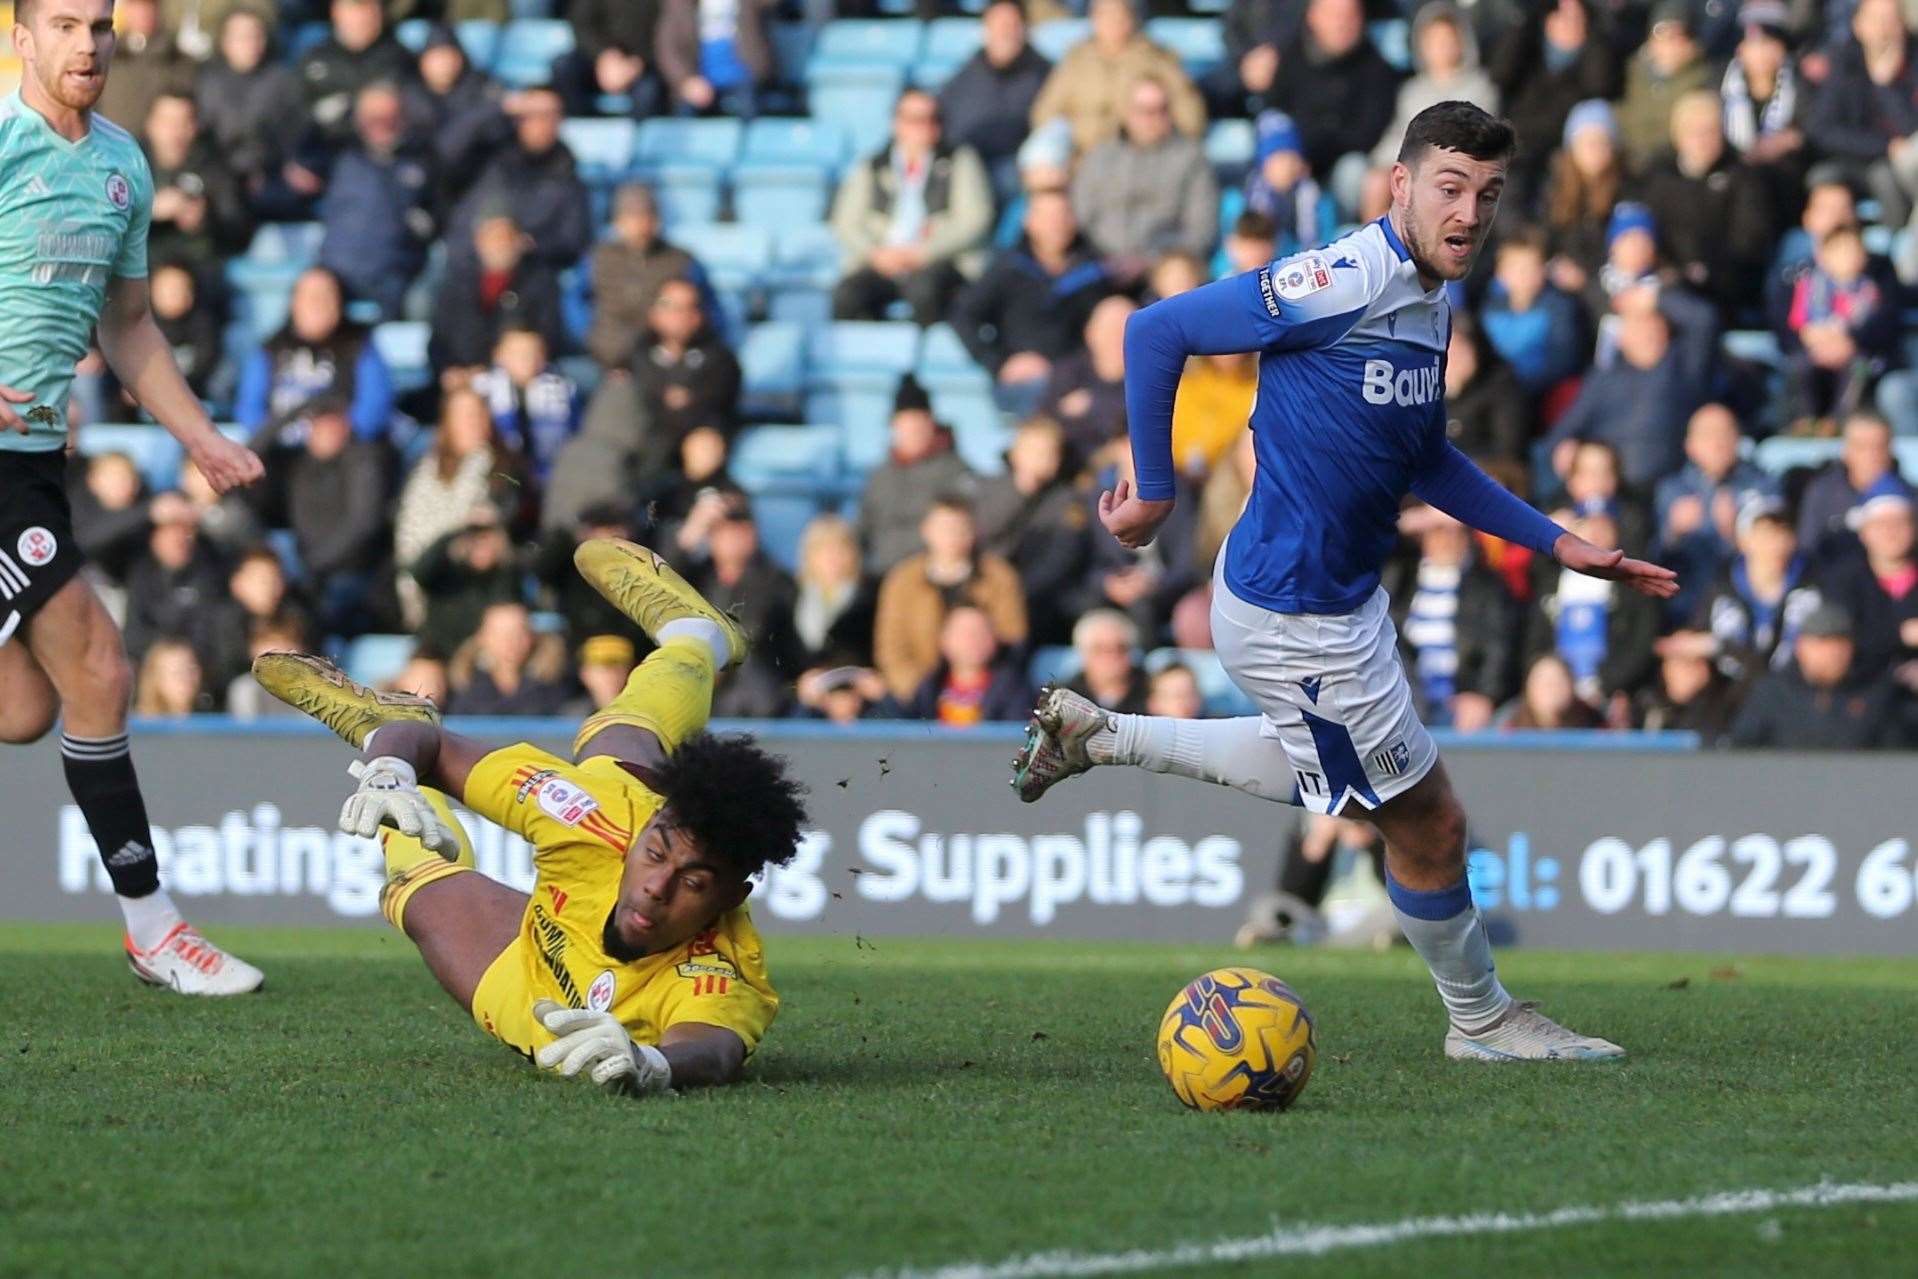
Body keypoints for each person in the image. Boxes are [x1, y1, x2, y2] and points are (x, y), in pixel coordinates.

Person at [1015, 102, 1677, 1061]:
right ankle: (1483, 1020)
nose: (1470, 212)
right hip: (1295, 612)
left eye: (1488, 195)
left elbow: (1427, 457)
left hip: (1342, 602)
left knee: (1345, 779)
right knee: (1428, 819)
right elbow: (1157, 330)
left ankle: (1101, 734)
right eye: (1450, 187)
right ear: (1399, 185)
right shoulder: (1339, 279)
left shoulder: (1431, 300)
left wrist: (1554, 540)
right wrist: (1154, 491)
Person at [251, 539, 806, 1094]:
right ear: (647, 831)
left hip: (532, 990)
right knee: (618, 747)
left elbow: (711, 1052)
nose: (659, 886)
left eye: (695, 881)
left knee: (417, 891)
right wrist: (391, 766)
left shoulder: (719, 974)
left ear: (732, 897)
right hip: (600, 839)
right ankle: (695, 635)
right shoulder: (597, 820)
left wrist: (654, 1063)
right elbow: (434, 747)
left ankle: (385, 727)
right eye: (657, 853)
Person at [0, 0, 266, 993]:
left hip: (32, 461)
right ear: (20, 37)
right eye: (63, 23)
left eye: (99, 25)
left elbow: (130, 326)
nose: (86, 44)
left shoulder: (120, 162)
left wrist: (197, 434)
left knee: (27, 707)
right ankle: (153, 926)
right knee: (104, 666)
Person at [828, 90, 993, 326]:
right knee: (848, 295)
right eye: (916, 120)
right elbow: (846, 222)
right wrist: (875, 254)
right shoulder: (873, 166)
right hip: (882, 260)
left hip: (939, 261)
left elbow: (975, 219)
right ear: (897, 123)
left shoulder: (960, 161)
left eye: (933, 119)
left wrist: (924, 252)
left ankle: (924, 357)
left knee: (924, 291)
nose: (925, 127)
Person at [949, 190, 1111, 398]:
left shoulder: (1094, 272)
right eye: (1047, 217)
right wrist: (999, 363)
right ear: (1029, 222)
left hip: (1077, 382)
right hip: (1020, 382)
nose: (1056, 225)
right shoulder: (1008, 268)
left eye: (1064, 215)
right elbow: (964, 315)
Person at [873, 495, 1027, 702]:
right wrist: (921, 693)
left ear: (974, 531)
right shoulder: (902, 581)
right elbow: (891, 649)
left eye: (961, 528)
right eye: (945, 528)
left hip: (985, 694)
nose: (953, 537)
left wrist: (976, 686)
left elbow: (1012, 638)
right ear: (926, 530)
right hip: (916, 696)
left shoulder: (999, 577)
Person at [1384, 507, 1519, 731]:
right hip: (1405, 698)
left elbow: (1500, 648)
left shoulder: (1488, 587)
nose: (1449, 539)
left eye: (1459, 531)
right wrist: (1401, 523)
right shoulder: (1400, 581)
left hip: (1462, 703)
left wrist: (1483, 695)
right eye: (1439, 530)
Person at [1070, 76, 1218, 280]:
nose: (1152, 118)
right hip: (1101, 263)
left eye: (1161, 109)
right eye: (1144, 111)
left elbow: (1201, 231)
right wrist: (1107, 258)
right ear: (1128, 112)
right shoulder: (1099, 157)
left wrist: (1149, 259)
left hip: (1163, 267)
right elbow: (1081, 215)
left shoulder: (1191, 159)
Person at [317, 81, 437, 321]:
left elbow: (440, 209)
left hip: (394, 273)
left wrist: (427, 223)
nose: (381, 122)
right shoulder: (339, 154)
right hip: (337, 270)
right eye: (372, 115)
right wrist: (324, 120)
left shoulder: (422, 159)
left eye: (388, 115)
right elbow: (300, 163)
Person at [1028, 0, 1204, 155]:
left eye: (1120, 15)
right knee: (1043, 152)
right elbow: (1044, 113)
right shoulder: (1076, 59)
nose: (1113, 22)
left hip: (1142, 154)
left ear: (1131, 18)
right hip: (1083, 154)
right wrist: (1078, 134)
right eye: (1104, 15)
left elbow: (1190, 114)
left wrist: (1158, 130)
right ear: (1093, 19)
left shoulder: (1156, 57)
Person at [1728, 602, 1909, 747]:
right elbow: (1743, 752)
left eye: (1839, 644)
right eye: (1821, 643)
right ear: (1801, 647)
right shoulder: (1772, 693)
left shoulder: (1875, 693)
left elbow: (1894, 756)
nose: (1831, 653)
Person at [1782, 223, 1899, 427]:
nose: (1847, 258)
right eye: (1839, 251)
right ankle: (1805, 419)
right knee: (1798, 367)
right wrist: (1819, 340)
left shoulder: (1870, 290)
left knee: (1860, 370)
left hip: (1856, 353)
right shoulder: (1810, 286)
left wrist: (1848, 340)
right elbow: (1800, 324)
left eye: (1853, 251)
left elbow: (1874, 326)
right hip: (1816, 348)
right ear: (1822, 256)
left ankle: (1840, 421)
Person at [938, 0, 1050, 195]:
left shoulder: (1042, 74)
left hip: (1010, 164)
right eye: (998, 25)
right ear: (985, 29)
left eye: (1012, 25)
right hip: (965, 160)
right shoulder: (969, 71)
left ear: (1025, 29)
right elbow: (942, 114)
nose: (1005, 33)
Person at [585, 184, 698, 372]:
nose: (640, 225)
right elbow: (577, 304)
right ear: (618, 222)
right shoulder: (598, 258)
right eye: (632, 217)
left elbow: (705, 308)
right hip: (605, 357)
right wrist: (590, 335)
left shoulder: (679, 260)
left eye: (647, 216)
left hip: (662, 359)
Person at [1818, 481, 1918, 681]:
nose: (1890, 531)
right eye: (1881, 524)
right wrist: (1900, 634)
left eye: (1899, 522)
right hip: (1859, 691)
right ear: (1863, 532)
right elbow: (1837, 638)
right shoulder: (1841, 581)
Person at [1798, 410, 1908, 562]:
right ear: (1846, 450)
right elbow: (1808, 549)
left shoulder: (1910, 497)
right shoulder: (1822, 493)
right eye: (1861, 446)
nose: (1871, 455)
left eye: (1879, 446)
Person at [898, 604, 1032, 725]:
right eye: (963, 632)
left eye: (981, 631)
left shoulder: (1013, 689)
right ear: (943, 639)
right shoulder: (928, 689)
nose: (973, 639)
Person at [446, 600, 570, 717]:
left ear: (532, 637)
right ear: (481, 638)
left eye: (518, 633)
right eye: (500, 634)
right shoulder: (462, 688)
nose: (510, 642)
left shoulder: (556, 686)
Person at [1063, 608, 1149, 714]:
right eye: (1099, 649)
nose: (1111, 657)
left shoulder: (1154, 692)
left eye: (1120, 648)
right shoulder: (1064, 699)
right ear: (1083, 653)